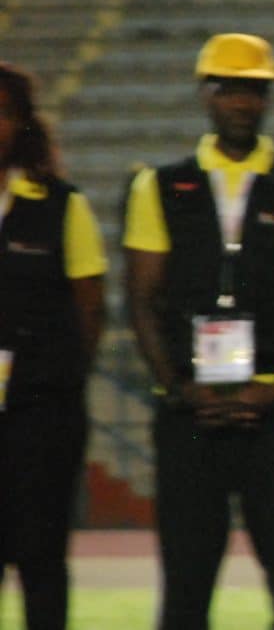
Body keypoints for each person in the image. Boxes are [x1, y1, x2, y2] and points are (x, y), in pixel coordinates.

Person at [124, 33, 274, 629]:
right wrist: (178, 388)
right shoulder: (158, 187)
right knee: (185, 586)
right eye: (229, 89)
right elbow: (141, 298)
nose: (243, 103)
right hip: (190, 411)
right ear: (206, 93)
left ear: (268, 98)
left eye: (254, 90)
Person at [0, 62, 107, 630]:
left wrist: (53, 383)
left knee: (41, 559)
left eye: (2, 112)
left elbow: (90, 308)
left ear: (23, 123)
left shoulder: (62, 205)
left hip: (42, 415)